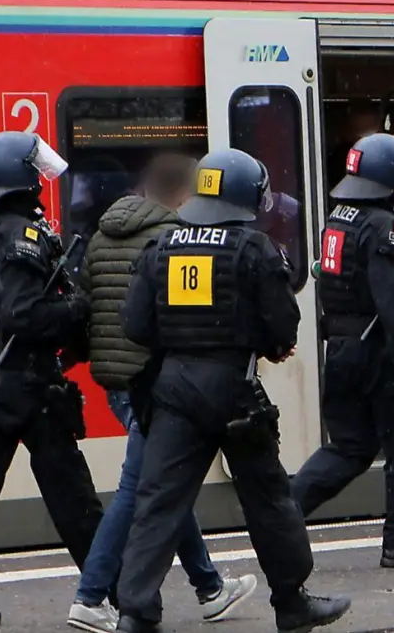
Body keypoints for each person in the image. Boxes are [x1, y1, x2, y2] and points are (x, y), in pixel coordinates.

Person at [114, 149, 350, 633]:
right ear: (247, 195)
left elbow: (135, 325)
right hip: (234, 390)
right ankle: (291, 602)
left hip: (174, 388)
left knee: (158, 501)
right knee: (268, 498)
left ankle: (135, 612)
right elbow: (283, 329)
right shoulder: (254, 248)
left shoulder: (163, 245)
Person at [68, 154, 257, 632]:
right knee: (140, 490)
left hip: (113, 379)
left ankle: (209, 588)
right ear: (184, 196)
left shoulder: (101, 234)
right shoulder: (169, 239)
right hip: (152, 382)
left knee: (165, 490)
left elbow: (89, 305)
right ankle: (90, 596)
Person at [290, 134, 394, 568]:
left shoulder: (338, 218)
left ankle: (281, 516)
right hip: (380, 354)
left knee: (347, 448)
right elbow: (393, 306)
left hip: (342, 350)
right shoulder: (385, 227)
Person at [0, 131, 104, 629]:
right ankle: (108, 595)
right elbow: (23, 314)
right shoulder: (21, 233)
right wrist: (77, 306)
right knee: (73, 497)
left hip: (4, 380)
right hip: (26, 384)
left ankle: (111, 592)